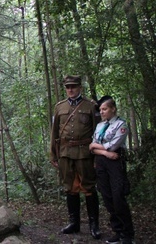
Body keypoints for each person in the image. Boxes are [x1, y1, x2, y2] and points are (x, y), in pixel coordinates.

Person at [50, 75, 101, 239]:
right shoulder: (59, 107)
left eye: (73, 86)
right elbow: (54, 133)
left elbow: (97, 132)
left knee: (88, 187)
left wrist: (97, 156)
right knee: (69, 187)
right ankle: (74, 223)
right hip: (65, 153)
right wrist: (53, 153)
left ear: (80, 87)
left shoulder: (91, 106)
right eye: (68, 87)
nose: (70, 90)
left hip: (85, 153)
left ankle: (94, 225)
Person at [89, 96, 135, 244]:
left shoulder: (121, 125)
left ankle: (127, 234)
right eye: (101, 109)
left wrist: (101, 149)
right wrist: (105, 152)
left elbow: (113, 146)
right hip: (102, 162)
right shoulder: (100, 126)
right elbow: (91, 147)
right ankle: (118, 231)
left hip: (115, 163)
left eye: (105, 109)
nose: (102, 112)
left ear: (113, 109)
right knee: (107, 197)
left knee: (118, 197)